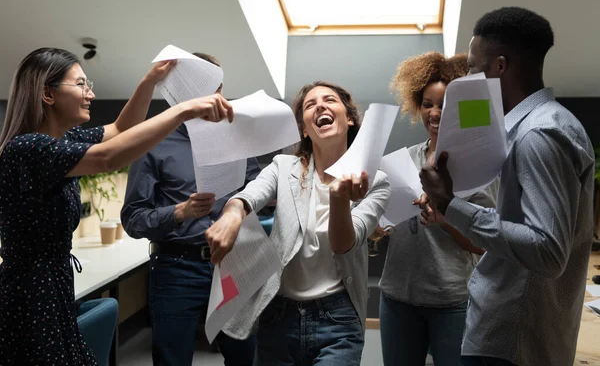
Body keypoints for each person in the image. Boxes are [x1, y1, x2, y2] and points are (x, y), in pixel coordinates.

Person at [0, 47, 232, 365]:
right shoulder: (27, 148)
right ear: (47, 94)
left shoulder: (64, 141)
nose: (91, 94)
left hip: (53, 287)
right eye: (81, 84)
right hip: (30, 295)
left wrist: (150, 81)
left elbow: (121, 130)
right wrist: (183, 110)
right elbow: (109, 157)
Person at [420, 7, 595, 366]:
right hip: (516, 332)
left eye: (472, 67)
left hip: (512, 339)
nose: (466, 76)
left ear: (499, 66)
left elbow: (547, 251)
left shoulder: (539, 135)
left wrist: (450, 204)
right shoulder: (543, 123)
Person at [205, 81, 391, 365]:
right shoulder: (283, 167)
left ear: (350, 118)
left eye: (330, 100)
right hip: (279, 317)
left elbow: (344, 245)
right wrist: (232, 214)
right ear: (304, 128)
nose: (320, 106)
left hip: (338, 320)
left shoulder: (375, 181)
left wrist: (339, 197)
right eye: (310, 104)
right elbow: (249, 196)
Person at [121, 52, 259, 366]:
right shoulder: (152, 142)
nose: (217, 97)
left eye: (220, 87)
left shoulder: (238, 138)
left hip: (233, 264)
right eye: (209, 87)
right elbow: (132, 218)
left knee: (244, 359)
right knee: (172, 360)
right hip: (176, 268)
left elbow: (258, 193)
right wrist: (179, 212)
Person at [378, 52, 497, 366]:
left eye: (444, 105)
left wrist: (445, 220)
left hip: (453, 302)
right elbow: (384, 225)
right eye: (428, 104)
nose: (434, 113)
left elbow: (486, 244)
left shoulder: (477, 168)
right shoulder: (400, 161)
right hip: (396, 300)